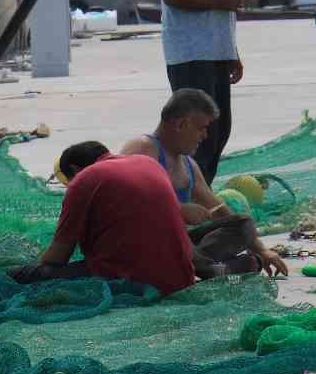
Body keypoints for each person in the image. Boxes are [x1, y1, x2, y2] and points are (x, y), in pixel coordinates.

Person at [120, 88, 288, 277]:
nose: (205, 136)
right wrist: (178, 209)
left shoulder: (188, 164)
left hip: (182, 246)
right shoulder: (143, 149)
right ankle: (210, 268)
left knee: (243, 223)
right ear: (180, 124)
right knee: (175, 239)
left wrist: (261, 250)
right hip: (146, 244)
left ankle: (207, 266)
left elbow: (219, 209)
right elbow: (127, 206)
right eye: (201, 128)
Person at [14, 142, 197, 295]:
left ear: (75, 170)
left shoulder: (84, 178)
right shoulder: (149, 163)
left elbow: (57, 257)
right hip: (180, 277)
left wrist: (38, 261)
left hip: (132, 281)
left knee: (23, 275)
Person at [157, 0, 243, 184]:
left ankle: (201, 198)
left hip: (216, 55)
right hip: (192, 57)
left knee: (218, 132)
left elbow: (218, 0)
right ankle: (187, 203)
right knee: (196, 138)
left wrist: (232, 54)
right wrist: (221, 1)